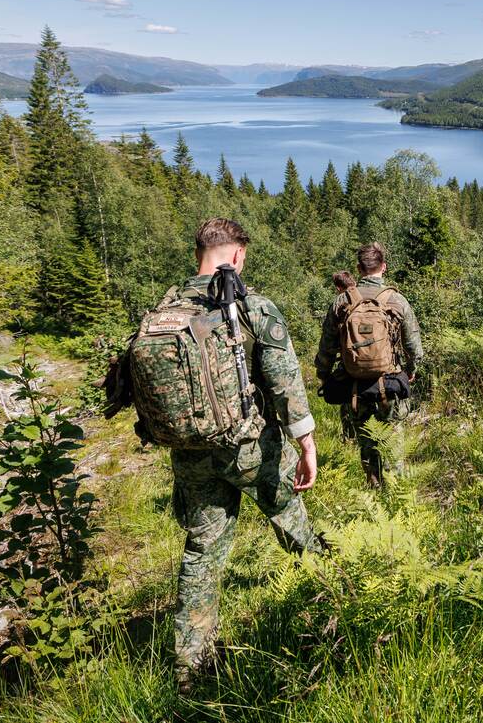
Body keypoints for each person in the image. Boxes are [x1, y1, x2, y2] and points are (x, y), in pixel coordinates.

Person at [149, 218, 322, 691]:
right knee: (292, 520)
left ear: (199, 253)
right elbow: (285, 383)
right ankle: (331, 600)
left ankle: (190, 667)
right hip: (251, 448)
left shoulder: (164, 310)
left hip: (190, 454)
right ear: (238, 255)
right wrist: (306, 443)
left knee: (202, 552)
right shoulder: (252, 307)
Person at [315, 242, 423, 487]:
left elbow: (327, 347)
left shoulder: (341, 302)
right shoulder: (396, 300)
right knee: (393, 439)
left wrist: (324, 375)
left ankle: (374, 489)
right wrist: (411, 371)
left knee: (366, 440)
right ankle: (396, 493)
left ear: (358, 268)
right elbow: (414, 346)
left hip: (355, 386)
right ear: (383, 267)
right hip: (390, 381)